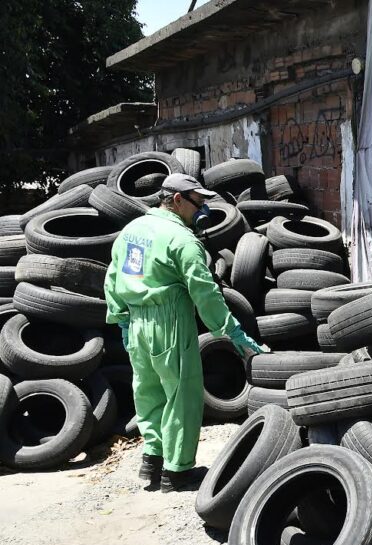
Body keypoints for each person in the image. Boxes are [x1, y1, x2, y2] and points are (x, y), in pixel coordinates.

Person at [103, 173, 268, 492]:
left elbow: (113, 277)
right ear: (177, 200)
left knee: (148, 391)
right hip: (170, 323)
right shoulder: (182, 240)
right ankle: (176, 471)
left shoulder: (132, 231)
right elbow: (204, 290)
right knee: (182, 395)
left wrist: (121, 318)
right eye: (198, 202)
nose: (203, 209)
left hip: (137, 323)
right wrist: (231, 330)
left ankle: (152, 461)